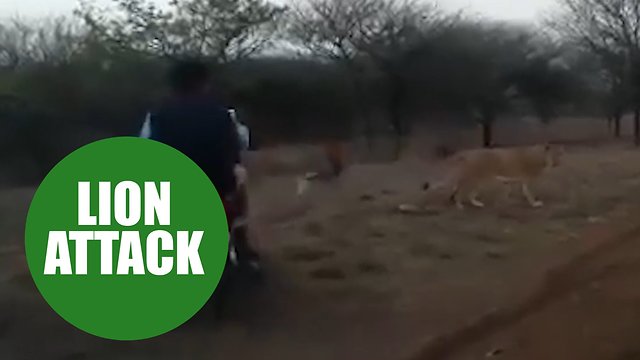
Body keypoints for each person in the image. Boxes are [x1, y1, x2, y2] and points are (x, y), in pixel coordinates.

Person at [139, 59, 260, 273]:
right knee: (241, 177)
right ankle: (242, 242)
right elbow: (242, 142)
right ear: (205, 83)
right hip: (218, 184)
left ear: (172, 85)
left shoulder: (157, 116)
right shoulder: (224, 115)